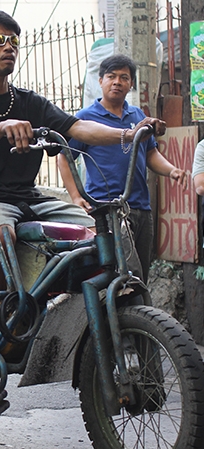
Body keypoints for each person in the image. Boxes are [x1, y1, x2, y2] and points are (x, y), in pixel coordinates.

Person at [0, 10, 165, 332]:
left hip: (28, 198)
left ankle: (113, 314)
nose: (9, 47)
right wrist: (2, 127)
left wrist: (130, 133)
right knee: (1, 238)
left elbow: (79, 127)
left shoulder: (30, 102)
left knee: (105, 229)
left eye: (13, 41)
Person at [58, 54, 187, 284]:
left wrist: (172, 171)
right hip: (107, 208)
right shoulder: (86, 118)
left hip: (141, 207)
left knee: (141, 275)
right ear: (101, 81)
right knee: (125, 276)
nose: (117, 82)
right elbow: (64, 158)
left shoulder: (137, 116)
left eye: (124, 77)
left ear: (131, 84)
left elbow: (150, 153)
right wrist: (76, 197)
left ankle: (135, 308)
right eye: (111, 76)